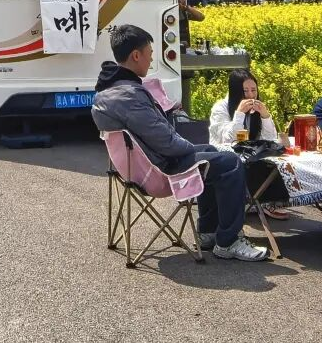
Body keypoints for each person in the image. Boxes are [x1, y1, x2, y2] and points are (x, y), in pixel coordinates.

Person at [91, 24, 269, 262]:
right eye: (149, 53)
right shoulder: (130, 95)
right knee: (230, 162)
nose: (151, 59)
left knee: (211, 152)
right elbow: (166, 142)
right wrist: (189, 146)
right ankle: (228, 241)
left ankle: (208, 232)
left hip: (137, 168)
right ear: (136, 55)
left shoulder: (107, 91)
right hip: (158, 170)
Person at [208, 69, 290, 220]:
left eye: (254, 90)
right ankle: (258, 201)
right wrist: (239, 114)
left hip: (249, 153)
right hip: (224, 156)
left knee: (275, 158)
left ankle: (268, 200)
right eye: (245, 91)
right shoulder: (220, 108)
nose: (251, 96)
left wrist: (265, 116)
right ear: (236, 91)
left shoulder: (255, 110)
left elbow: (269, 139)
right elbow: (227, 140)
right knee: (249, 163)